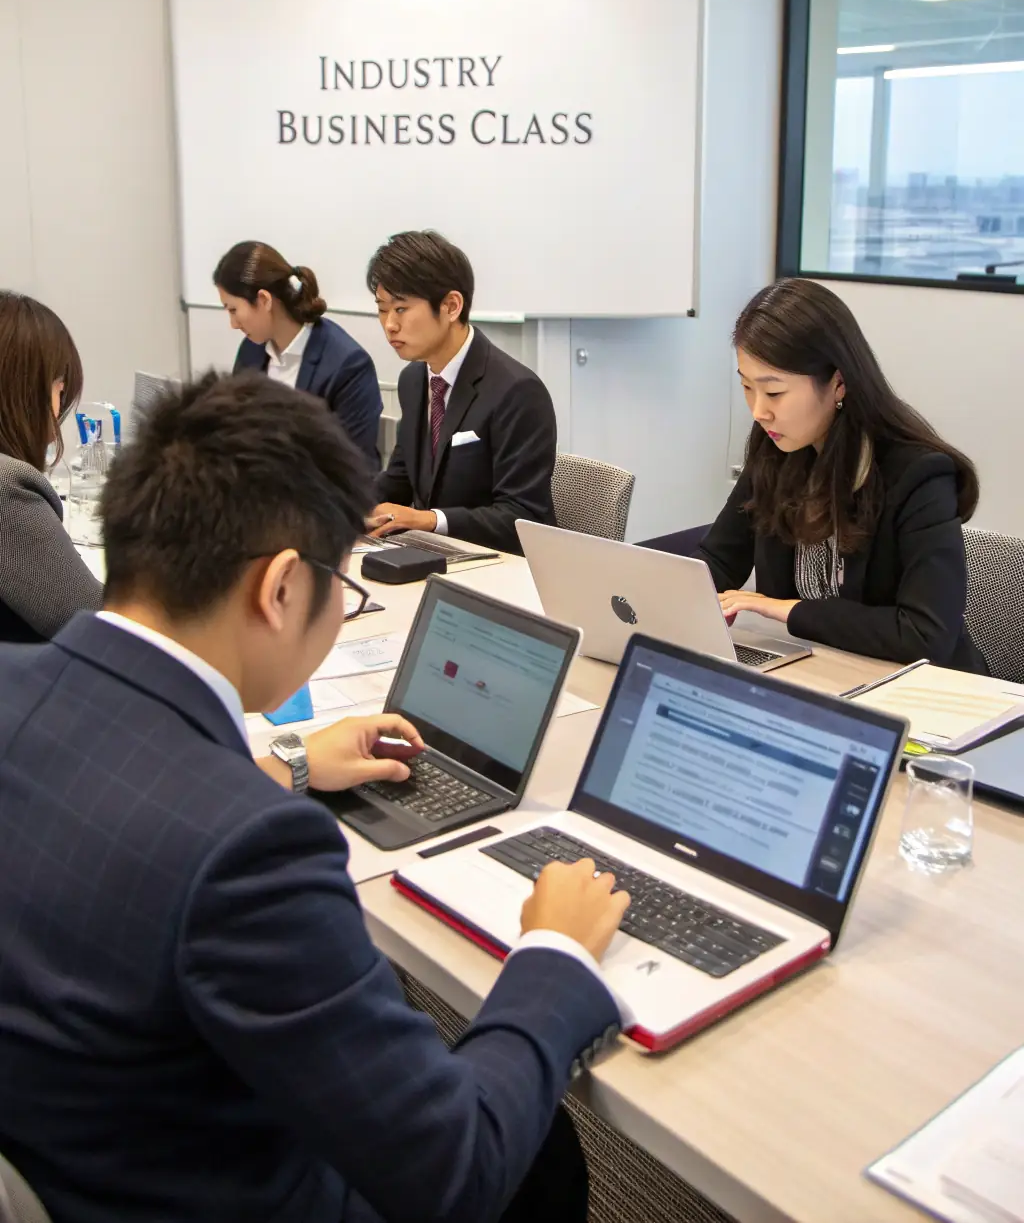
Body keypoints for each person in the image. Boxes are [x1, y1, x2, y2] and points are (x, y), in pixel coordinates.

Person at [0, 370, 627, 1223]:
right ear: (283, 586)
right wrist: (552, 954)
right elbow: (455, 1170)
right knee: (540, 1154)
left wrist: (289, 760)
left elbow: (125, 795)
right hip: (220, 1189)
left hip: (70, 1147)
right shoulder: (250, 851)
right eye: (343, 581)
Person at [693, 278, 985, 671]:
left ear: (839, 383)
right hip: (820, 673)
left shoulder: (917, 475)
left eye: (774, 392)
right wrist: (663, 597)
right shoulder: (777, 446)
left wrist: (788, 611)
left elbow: (924, 634)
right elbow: (719, 559)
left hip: (924, 693)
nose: (759, 411)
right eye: (747, 387)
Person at [367, 231, 557, 555]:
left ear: (451, 306)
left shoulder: (518, 391)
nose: (389, 325)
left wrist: (429, 520)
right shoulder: (414, 380)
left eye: (401, 309)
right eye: (382, 309)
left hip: (499, 570)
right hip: (434, 557)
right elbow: (399, 479)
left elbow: (524, 517)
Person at [217, 240, 383, 467]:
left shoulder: (348, 366)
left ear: (264, 300)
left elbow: (357, 471)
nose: (233, 324)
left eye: (233, 310)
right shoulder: (251, 351)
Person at [0, 291, 103, 641]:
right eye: (59, 391)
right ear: (25, 391)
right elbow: (96, 625)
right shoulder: (6, 489)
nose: (58, 413)